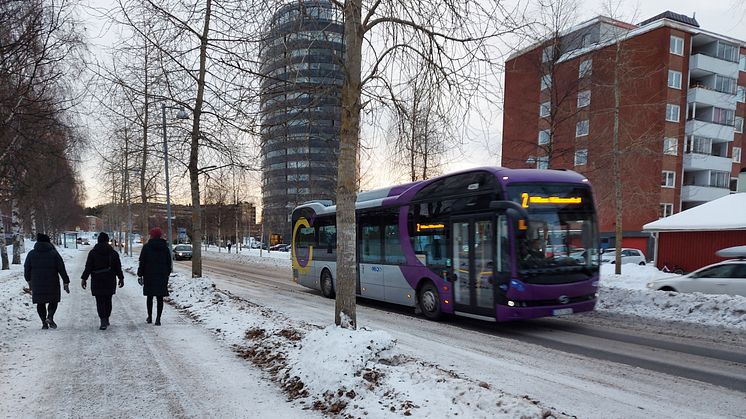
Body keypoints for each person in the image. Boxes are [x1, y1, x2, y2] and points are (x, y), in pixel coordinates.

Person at [23, 233, 70, 330]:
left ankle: (44, 322)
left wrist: (28, 280)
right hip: (52, 281)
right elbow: (61, 268)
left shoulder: (31, 254)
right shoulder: (54, 253)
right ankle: (50, 317)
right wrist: (66, 281)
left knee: (40, 303)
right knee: (53, 300)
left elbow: (26, 268)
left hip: (37, 282)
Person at [81, 232, 124, 330]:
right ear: (107, 240)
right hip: (110, 280)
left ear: (98, 240)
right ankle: (107, 317)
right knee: (108, 300)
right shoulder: (113, 253)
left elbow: (88, 267)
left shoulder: (93, 253)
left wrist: (84, 278)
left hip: (97, 280)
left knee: (99, 301)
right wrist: (121, 278)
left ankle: (103, 320)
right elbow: (118, 267)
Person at [137, 227, 172, 325]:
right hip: (161, 276)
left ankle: (150, 317)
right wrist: (166, 273)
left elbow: (142, 262)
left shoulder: (146, 247)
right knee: (160, 298)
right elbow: (169, 263)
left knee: (150, 297)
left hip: (149, 276)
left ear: (151, 235)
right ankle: (158, 319)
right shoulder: (165, 248)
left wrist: (140, 274)